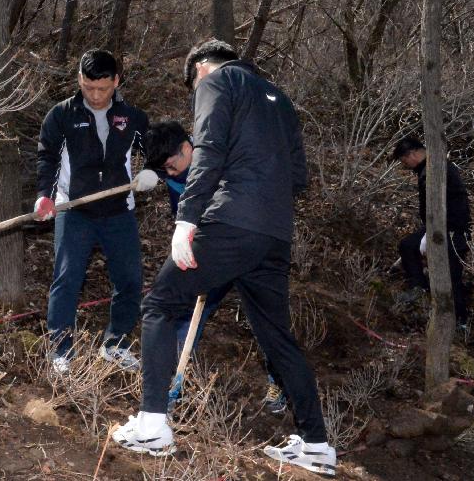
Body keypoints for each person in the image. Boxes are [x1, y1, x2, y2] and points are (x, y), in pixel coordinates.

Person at [113, 40, 336, 477]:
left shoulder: (217, 81)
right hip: (274, 234)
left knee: (159, 304)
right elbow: (298, 175)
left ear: (199, 68)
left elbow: (209, 148)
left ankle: (153, 424)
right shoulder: (280, 98)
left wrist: (188, 219)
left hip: (232, 221)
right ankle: (316, 444)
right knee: (277, 337)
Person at [143, 120, 287, 414]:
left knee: (266, 319)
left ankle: (280, 381)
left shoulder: (222, 155)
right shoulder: (172, 169)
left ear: (187, 147)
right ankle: (173, 383)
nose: (170, 173)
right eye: (164, 170)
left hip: (247, 243)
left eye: (172, 165)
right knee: (185, 312)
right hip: (209, 249)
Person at [35, 49, 156, 374]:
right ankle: (60, 350)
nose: (97, 95)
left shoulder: (132, 117)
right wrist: (43, 197)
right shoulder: (61, 115)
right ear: (79, 80)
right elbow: (48, 158)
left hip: (119, 211)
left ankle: (115, 344)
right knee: (67, 279)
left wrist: (151, 172)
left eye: (103, 88)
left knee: (130, 280)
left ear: (116, 81)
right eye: (89, 88)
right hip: (75, 211)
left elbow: (152, 150)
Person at [393, 137, 471, 327]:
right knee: (408, 246)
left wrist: (435, 233)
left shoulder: (436, 169)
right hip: (437, 226)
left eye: (404, 161)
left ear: (412, 154)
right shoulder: (427, 169)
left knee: (451, 277)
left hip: (452, 230)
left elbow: (448, 205)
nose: (406, 166)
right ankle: (419, 288)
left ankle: (461, 321)